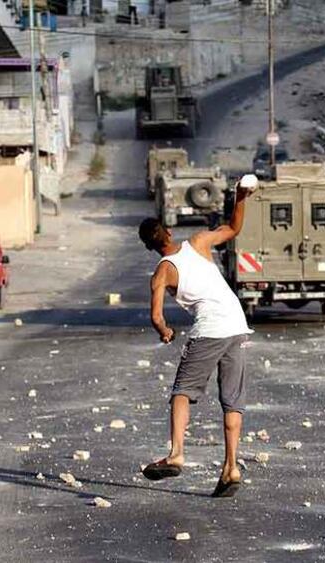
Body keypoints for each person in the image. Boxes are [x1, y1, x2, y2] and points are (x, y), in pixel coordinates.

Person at [138, 177, 256, 497]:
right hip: (236, 324)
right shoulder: (200, 242)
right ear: (169, 232)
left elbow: (157, 316)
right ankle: (231, 467)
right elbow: (233, 227)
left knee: (182, 392)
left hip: (210, 330)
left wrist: (165, 332)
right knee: (232, 400)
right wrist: (240, 196)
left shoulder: (162, 271)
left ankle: (176, 454)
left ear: (151, 246)